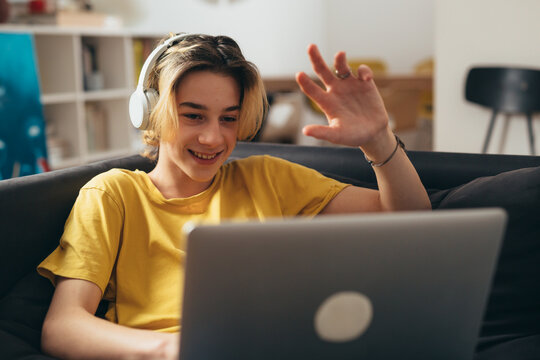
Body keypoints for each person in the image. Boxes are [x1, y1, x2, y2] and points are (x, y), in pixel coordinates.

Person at [37, 33, 431, 360]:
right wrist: (172, 349)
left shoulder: (268, 177)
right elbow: (63, 326)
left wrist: (378, 142)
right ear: (150, 111)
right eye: (193, 115)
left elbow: (409, 218)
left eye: (228, 118)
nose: (214, 138)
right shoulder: (113, 194)